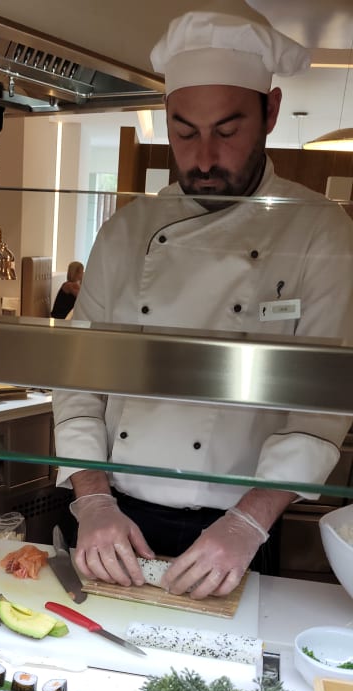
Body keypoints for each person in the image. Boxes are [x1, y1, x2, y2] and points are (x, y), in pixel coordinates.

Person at [52, 10, 353, 599]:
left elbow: (321, 404)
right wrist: (92, 500)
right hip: (113, 517)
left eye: (227, 130)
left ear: (270, 111)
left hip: (235, 528)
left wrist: (247, 525)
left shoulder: (321, 232)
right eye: (184, 132)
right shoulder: (126, 230)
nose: (205, 158)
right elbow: (78, 377)